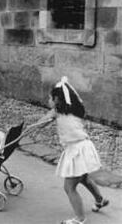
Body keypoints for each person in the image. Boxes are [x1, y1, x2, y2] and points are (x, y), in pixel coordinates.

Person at [33, 77, 109, 224]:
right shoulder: (75, 110)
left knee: (69, 187)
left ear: (57, 99)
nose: (48, 100)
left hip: (77, 151)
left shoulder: (56, 111)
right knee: (84, 179)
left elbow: (40, 123)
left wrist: (34, 125)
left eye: (50, 98)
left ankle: (80, 219)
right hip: (84, 147)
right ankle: (100, 200)